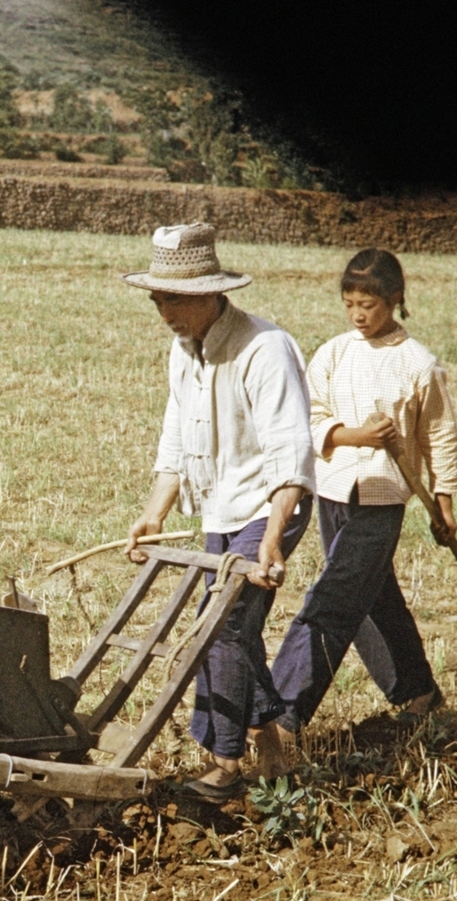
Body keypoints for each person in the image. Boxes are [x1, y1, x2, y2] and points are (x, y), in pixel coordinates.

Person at [120, 223, 316, 800]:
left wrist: (273, 538)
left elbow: (291, 456)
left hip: (270, 502)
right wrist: (154, 512)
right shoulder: (183, 352)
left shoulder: (264, 349)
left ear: (210, 291)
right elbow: (175, 440)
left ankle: (226, 763)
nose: (165, 312)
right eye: (158, 299)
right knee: (236, 627)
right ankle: (273, 744)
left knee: (222, 625)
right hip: (221, 508)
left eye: (175, 299)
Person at [260, 248, 455, 754]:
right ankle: (418, 691)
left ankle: (283, 712)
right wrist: (354, 437)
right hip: (332, 490)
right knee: (371, 595)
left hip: (383, 497)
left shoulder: (418, 364)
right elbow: (310, 414)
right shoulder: (333, 353)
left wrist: (444, 499)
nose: (358, 314)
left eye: (368, 304)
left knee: (334, 599)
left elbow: (440, 435)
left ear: (394, 300)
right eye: (349, 304)